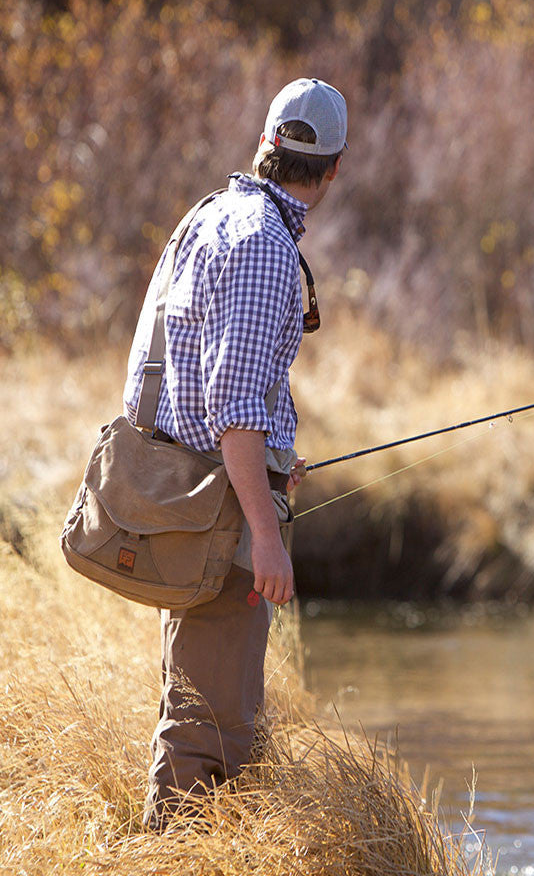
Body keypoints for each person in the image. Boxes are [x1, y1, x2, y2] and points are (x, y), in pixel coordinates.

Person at [122, 77, 347, 829]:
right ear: (334, 168)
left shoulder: (218, 214)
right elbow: (236, 404)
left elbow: (209, 383)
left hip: (200, 499)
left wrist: (276, 458)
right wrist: (262, 526)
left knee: (201, 716)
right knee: (209, 738)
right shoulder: (264, 248)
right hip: (220, 518)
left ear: (266, 143)